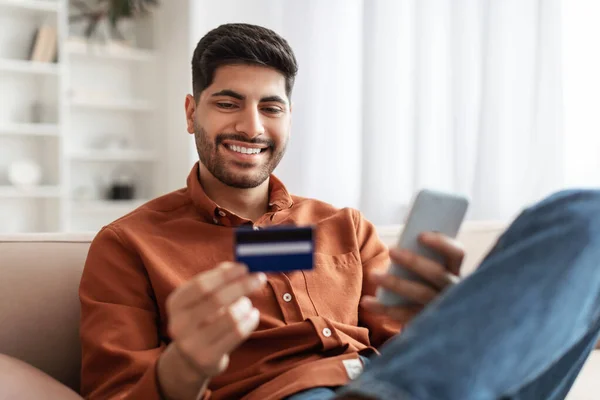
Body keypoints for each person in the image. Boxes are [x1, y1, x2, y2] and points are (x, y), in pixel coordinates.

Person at [79, 23, 600, 400]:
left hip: (411, 384)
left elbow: (412, 347)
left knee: (586, 216)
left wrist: (448, 315)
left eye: (271, 107)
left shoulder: (344, 227)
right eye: (228, 102)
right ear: (192, 113)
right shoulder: (129, 245)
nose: (252, 127)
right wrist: (185, 365)